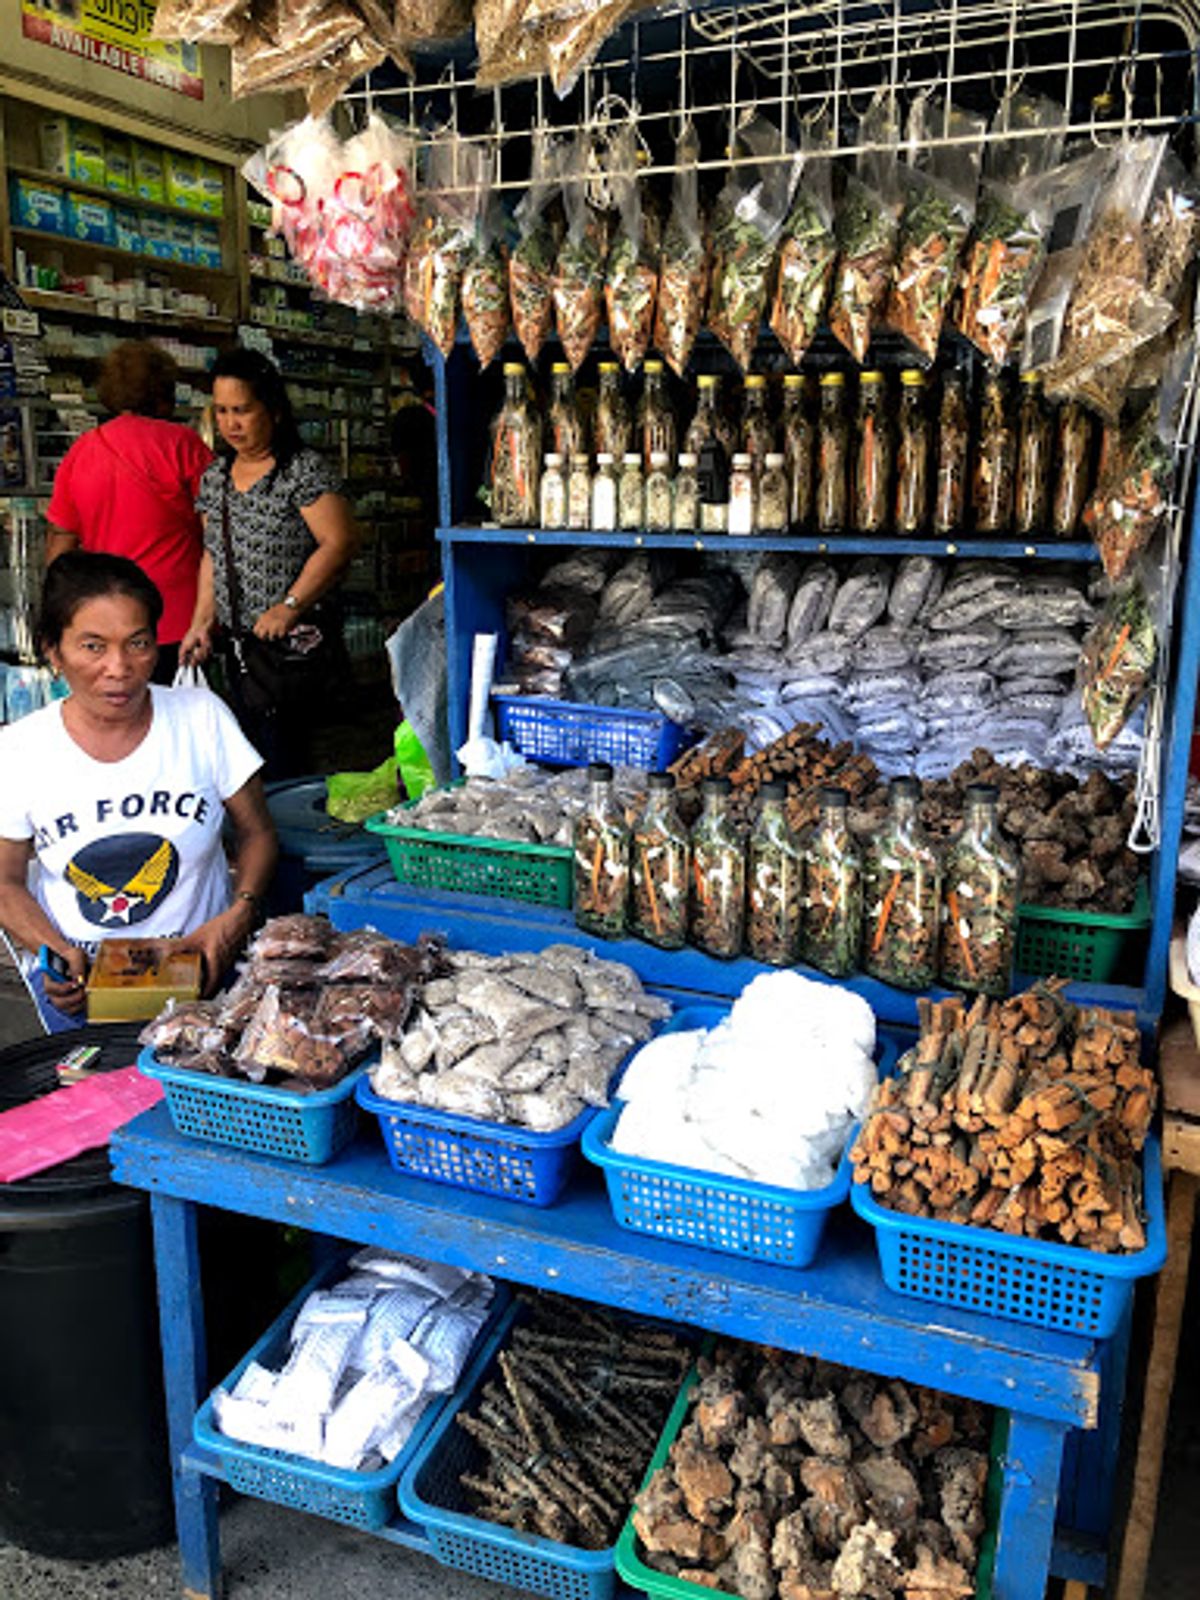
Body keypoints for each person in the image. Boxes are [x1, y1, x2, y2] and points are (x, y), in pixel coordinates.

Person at [0, 551, 277, 1031]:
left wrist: (240, 913)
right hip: (84, 998)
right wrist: (54, 952)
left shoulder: (201, 718)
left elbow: (258, 834)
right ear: (53, 651)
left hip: (204, 986)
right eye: (93, 646)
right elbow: (5, 881)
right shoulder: (20, 750)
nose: (119, 667)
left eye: (138, 643)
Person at [180, 348, 358, 779]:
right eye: (222, 411)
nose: (230, 424)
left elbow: (339, 543)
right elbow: (213, 554)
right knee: (246, 761)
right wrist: (201, 623)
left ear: (273, 411)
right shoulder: (216, 477)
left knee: (291, 759)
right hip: (240, 651)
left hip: (293, 651)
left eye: (242, 410)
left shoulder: (301, 471)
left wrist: (289, 606)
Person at [44, 340, 213, 684]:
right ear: (164, 391)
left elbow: (60, 546)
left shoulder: (83, 450)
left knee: (115, 708)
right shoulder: (184, 445)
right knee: (179, 710)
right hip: (179, 618)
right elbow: (220, 534)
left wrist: (54, 619)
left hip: (104, 619)